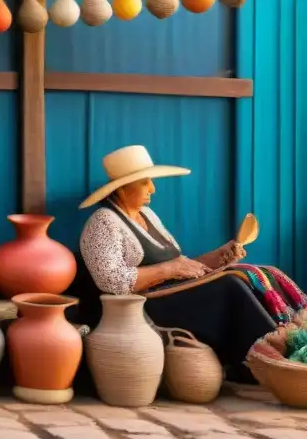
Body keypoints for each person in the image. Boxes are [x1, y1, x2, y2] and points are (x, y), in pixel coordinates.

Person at [77, 145, 307, 383]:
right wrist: (169, 269)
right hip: (147, 308)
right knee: (230, 285)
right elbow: (111, 281)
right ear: (123, 188)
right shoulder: (103, 222)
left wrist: (220, 256)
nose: (153, 189)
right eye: (146, 182)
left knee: (260, 274)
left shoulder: (148, 215)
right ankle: (278, 363)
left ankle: (295, 344)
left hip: (174, 293)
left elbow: (181, 265)